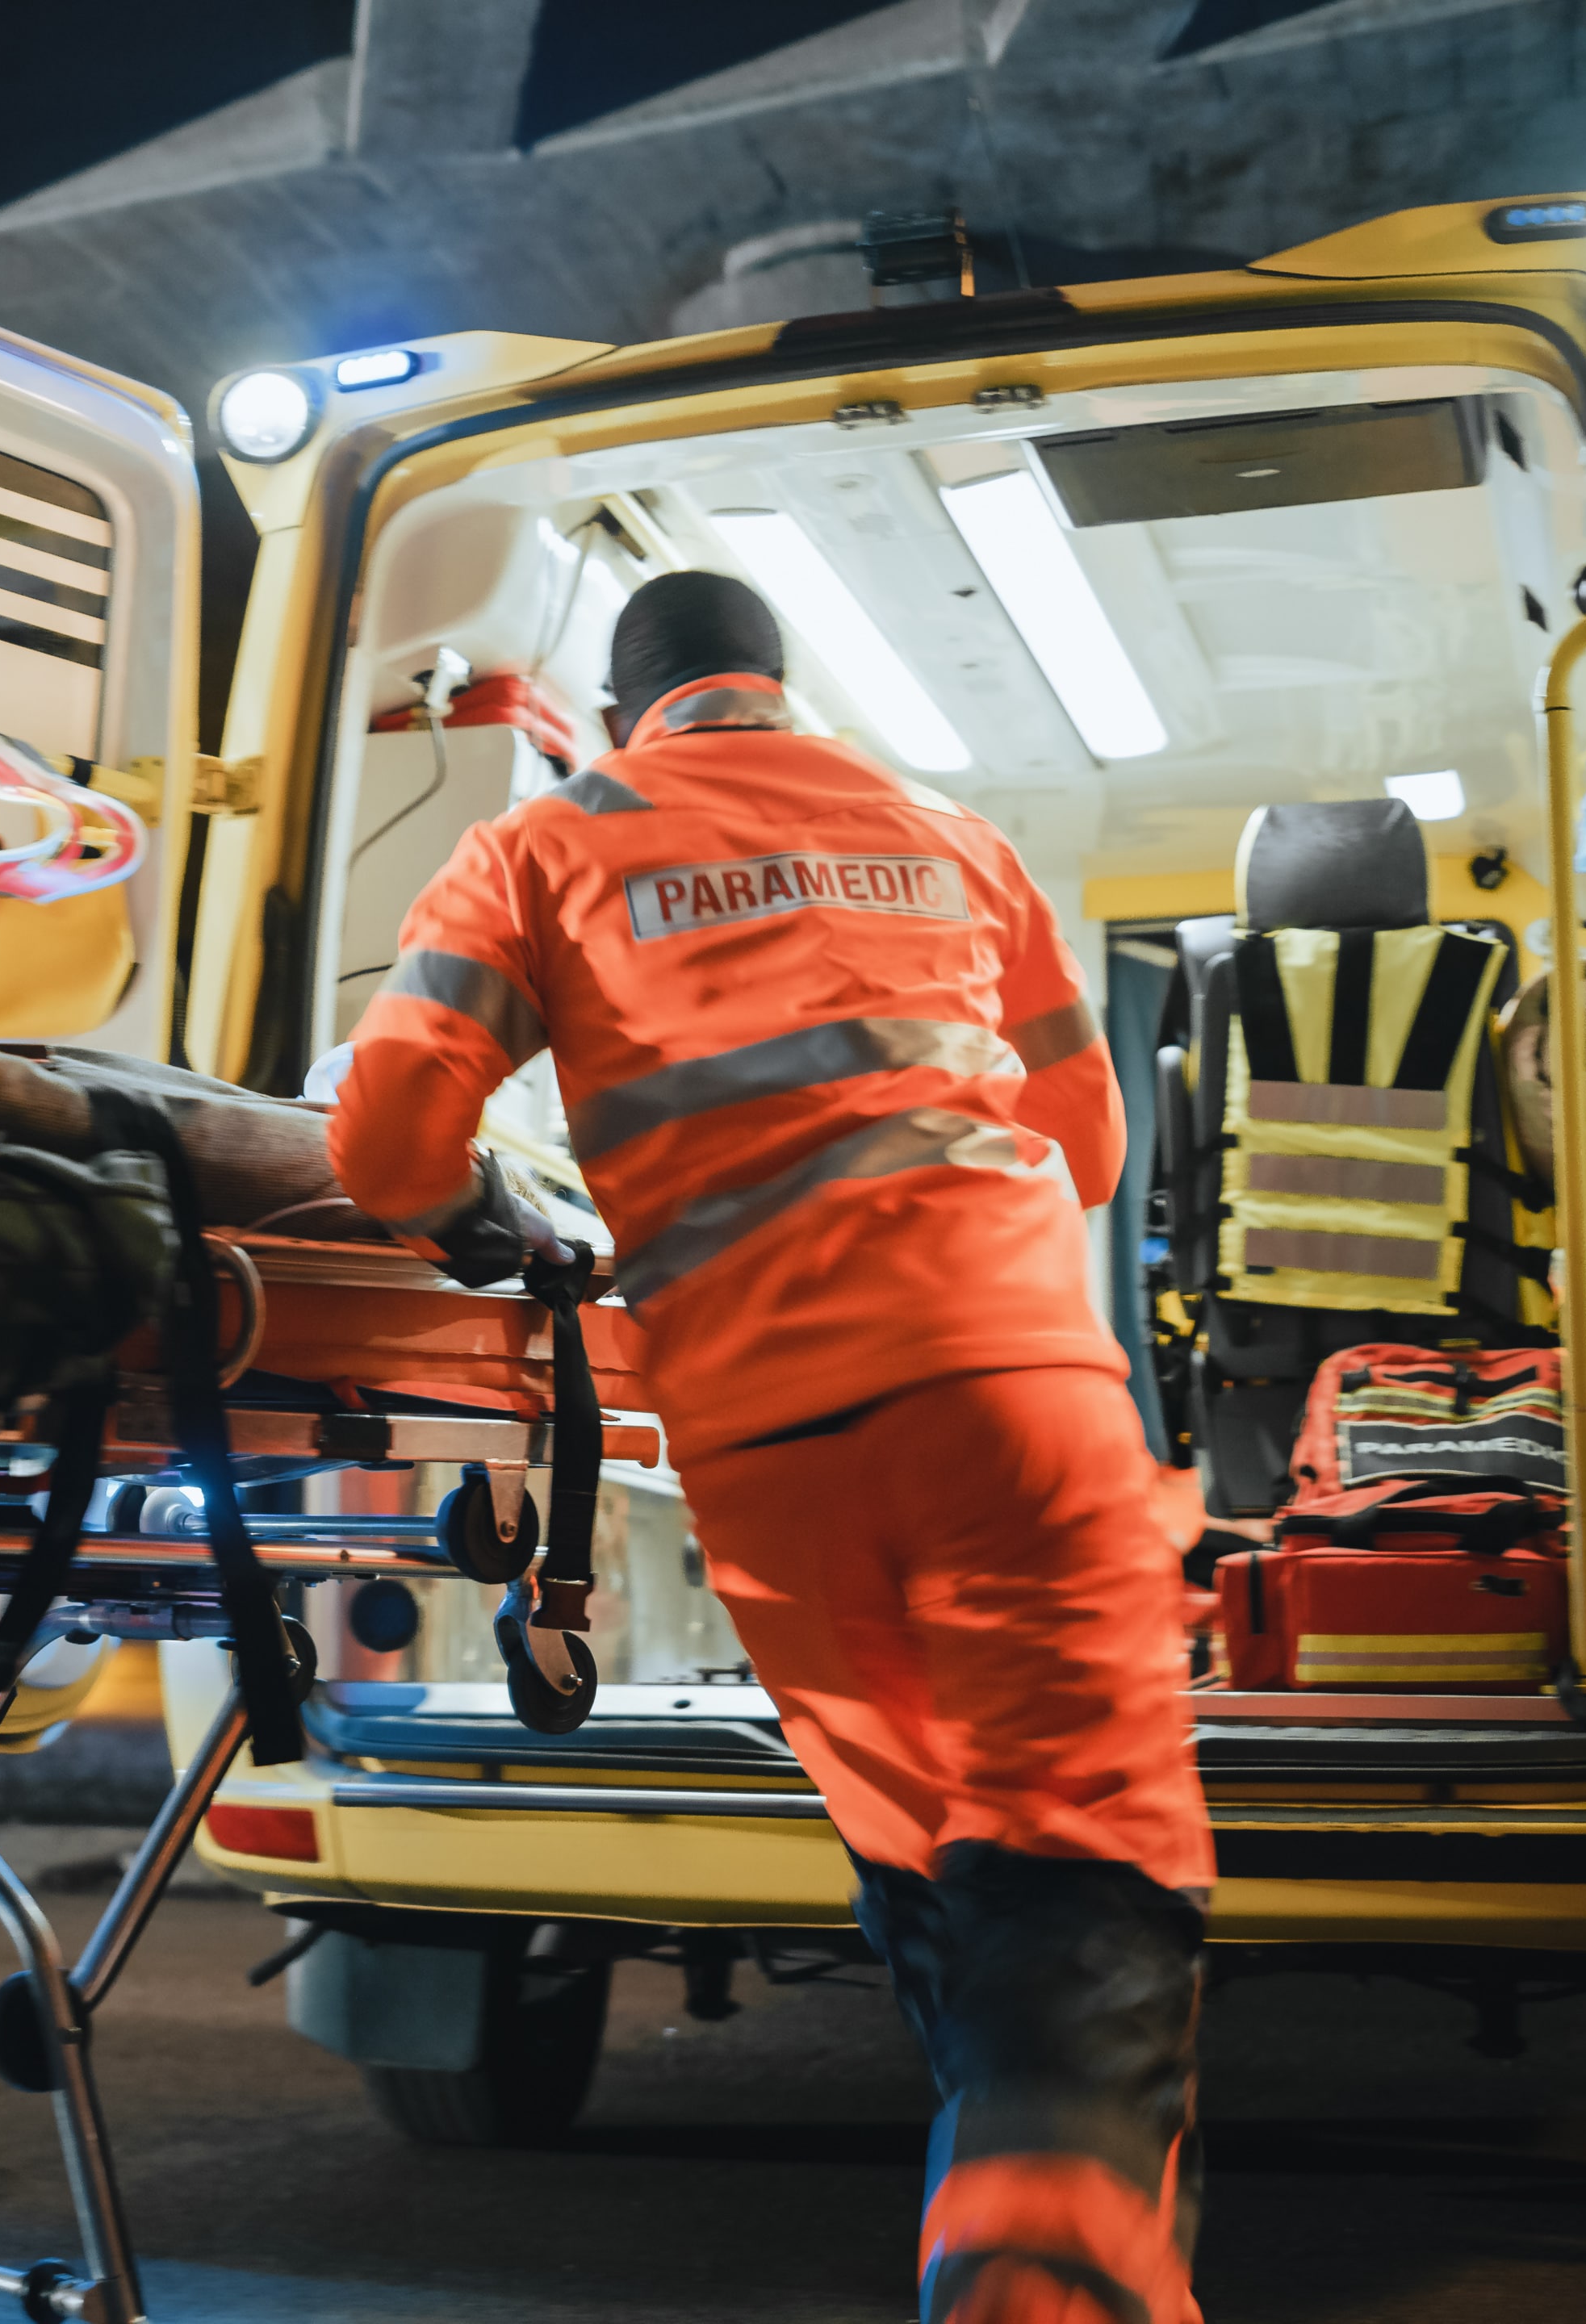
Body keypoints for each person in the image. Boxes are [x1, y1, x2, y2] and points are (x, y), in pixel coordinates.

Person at [323, 572, 1211, 2324]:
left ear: (622, 699)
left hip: (762, 1445)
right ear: (771, 684)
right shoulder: (951, 836)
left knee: (919, 1825)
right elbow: (1090, 1148)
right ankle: (1041, 2255)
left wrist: (487, 1220)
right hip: (1006, 1393)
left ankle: (1010, 2181)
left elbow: (386, 1138)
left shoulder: (544, 844)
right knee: (1073, 1828)